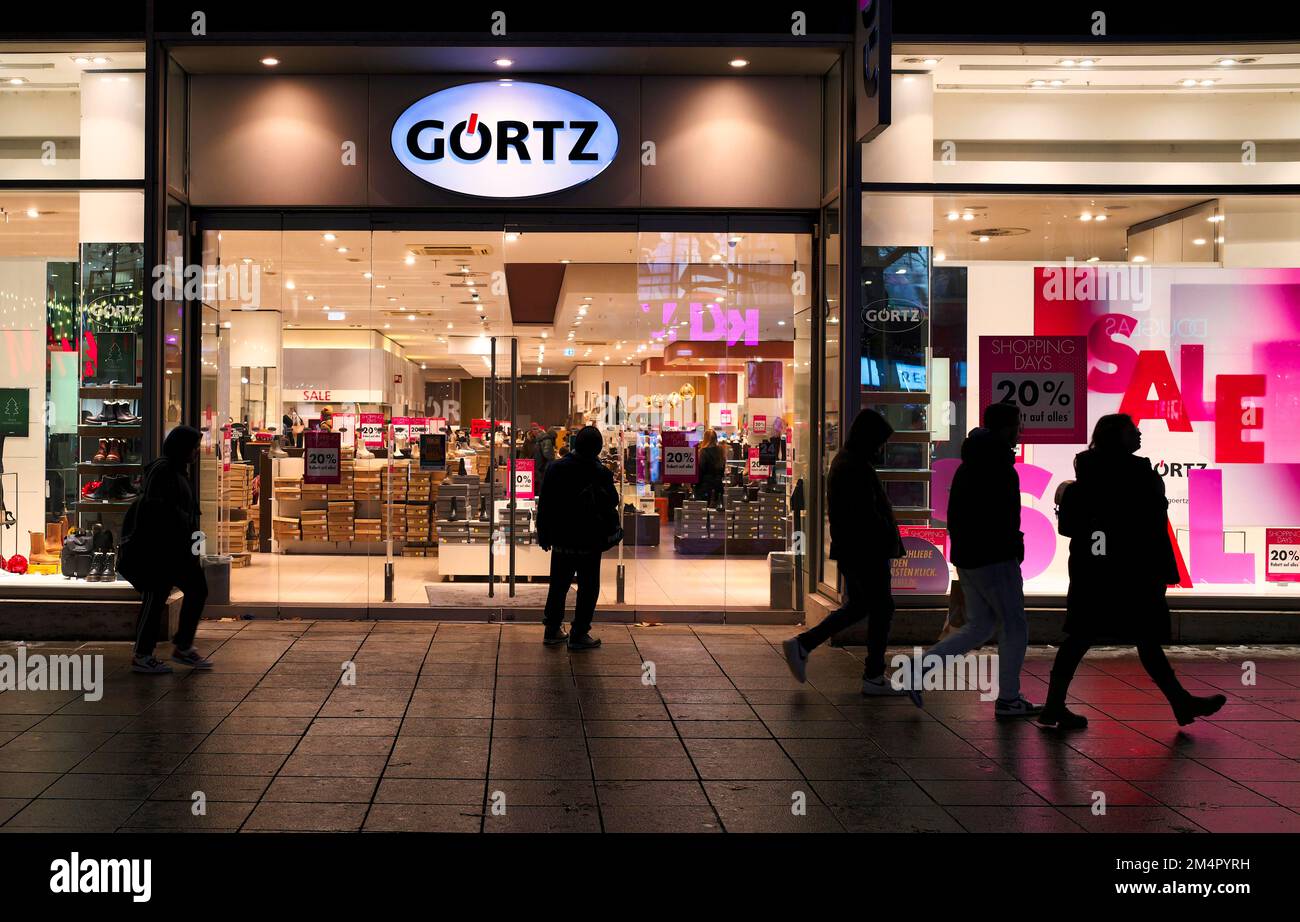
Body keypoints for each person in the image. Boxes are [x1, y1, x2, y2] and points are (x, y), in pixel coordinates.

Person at [1040, 413, 1226, 729]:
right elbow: (1154, 521)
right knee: (1145, 638)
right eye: (1132, 430)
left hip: (1093, 573)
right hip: (1134, 574)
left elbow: (1070, 527)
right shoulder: (1140, 475)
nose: (1139, 434)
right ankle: (1180, 702)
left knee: (1081, 637)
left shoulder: (1083, 480)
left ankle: (1054, 705)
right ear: (1119, 438)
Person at [903, 402, 1041, 717]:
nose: (1020, 431)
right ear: (1008, 428)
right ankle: (1008, 698)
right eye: (1018, 425)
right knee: (1014, 625)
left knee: (980, 626)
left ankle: (919, 670)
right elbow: (1004, 516)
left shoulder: (974, 461)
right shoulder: (998, 464)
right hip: (994, 556)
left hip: (970, 556)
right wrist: (1013, 547)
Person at [781, 409, 905, 695]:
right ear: (869, 439)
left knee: (861, 606)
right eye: (880, 442)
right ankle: (873, 675)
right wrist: (886, 535)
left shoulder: (849, 463)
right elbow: (865, 516)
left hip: (856, 549)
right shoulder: (854, 467)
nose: (882, 448)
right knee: (881, 607)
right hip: (866, 550)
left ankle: (804, 644)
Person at [128, 425, 212, 674]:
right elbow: (157, 511)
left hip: (178, 548)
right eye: (194, 447)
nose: (197, 452)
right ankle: (142, 654)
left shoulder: (177, 470)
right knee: (155, 598)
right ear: (182, 448)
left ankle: (182, 647)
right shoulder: (163, 470)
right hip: (163, 549)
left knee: (196, 591)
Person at [536, 425, 618, 650]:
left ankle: (552, 629)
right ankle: (579, 632)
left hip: (562, 538)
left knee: (559, 585)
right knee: (589, 586)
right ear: (598, 448)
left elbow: (545, 504)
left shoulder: (556, 468)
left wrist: (543, 533)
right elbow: (613, 501)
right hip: (589, 539)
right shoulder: (599, 472)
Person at [694, 427, 725, 506]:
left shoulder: (703, 452)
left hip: (705, 486)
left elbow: (701, 469)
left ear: (705, 438)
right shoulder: (721, 451)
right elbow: (722, 470)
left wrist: (695, 484)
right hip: (718, 486)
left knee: (703, 511)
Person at [533, 426, 559, 493]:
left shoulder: (541, 439)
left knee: (540, 482)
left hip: (539, 463)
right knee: (543, 483)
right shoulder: (547, 440)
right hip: (544, 465)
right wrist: (553, 459)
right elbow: (547, 454)